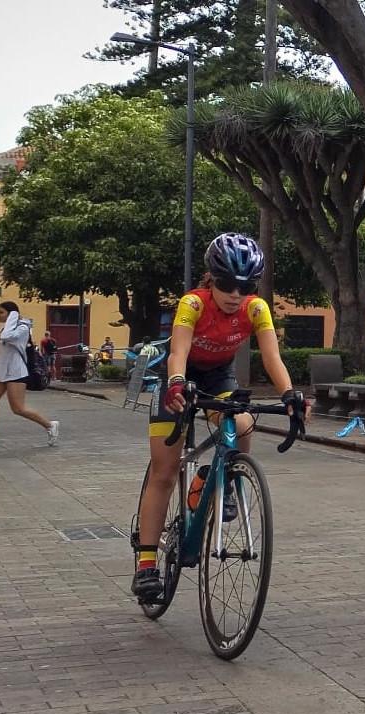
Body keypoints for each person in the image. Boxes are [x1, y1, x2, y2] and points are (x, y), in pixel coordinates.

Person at [131, 233, 311, 600]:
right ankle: (147, 565)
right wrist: (177, 383)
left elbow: (271, 357)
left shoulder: (255, 308)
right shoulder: (193, 304)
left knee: (243, 423)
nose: (236, 294)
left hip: (218, 379)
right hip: (179, 378)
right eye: (227, 284)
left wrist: (290, 395)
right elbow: (178, 350)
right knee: (164, 472)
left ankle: (222, 480)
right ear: (211, 278)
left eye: (245, 287)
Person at [0, 302, 59, 450]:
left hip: (16, 371)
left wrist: (14, 317)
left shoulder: (22, 328)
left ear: (12, 315)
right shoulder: (6, 328)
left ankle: (50, 425)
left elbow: (8, 336)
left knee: (18, 408)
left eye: (1, 312)